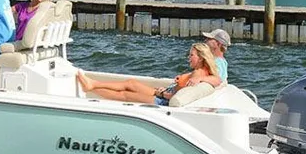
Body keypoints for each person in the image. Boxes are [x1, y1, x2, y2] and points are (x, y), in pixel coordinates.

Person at [76, 43, 218, 104]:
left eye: (191, 55)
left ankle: (92, 87)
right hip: (165, 94)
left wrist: (161, 93)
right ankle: (93, 84)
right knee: (130, 83)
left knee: (125, 94)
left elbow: (175, 96)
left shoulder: (198, 74)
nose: (188, 58)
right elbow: (217, 80)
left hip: (163, 101)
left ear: (201, 58)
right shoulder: (204, 73)